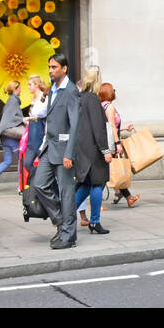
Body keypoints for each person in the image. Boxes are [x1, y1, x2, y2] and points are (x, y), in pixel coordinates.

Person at [34, 53, 81, 249]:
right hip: (49, 147)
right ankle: (61, 222)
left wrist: (69, 153)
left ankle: (68, 236)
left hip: (63, 151)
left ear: (64, 68)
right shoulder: (53, 90)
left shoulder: (70, 91)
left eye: (54, 67)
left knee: (67, 193)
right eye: (49, 67)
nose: (50, 70)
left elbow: (75, 124)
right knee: (39, 184)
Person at [72, 66, 113, 235]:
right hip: (94, 150)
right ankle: (95, 221)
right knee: (97, 183)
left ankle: (64, 214)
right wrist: (105, 150)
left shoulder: (79, 98)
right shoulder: (93, 100)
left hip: (81, 148)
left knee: (86, 184)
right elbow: (99, 127)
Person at [101, 83, 139, 208]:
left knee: (114, 171)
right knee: (106, 173)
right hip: (111, 143)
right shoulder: (110, 107)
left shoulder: (102, 106)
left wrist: (123, 128)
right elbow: (111, 126)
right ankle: (95, 203)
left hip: (106, 142)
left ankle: (128, 197)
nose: (115, 92)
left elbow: (111, 126)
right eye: (113, 90)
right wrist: (118, 144)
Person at [0, 80, 26, 192]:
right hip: (12, 137)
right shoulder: (14, 100)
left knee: (8, 161)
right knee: (21, 159)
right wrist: (22, 119)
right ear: (14, 89)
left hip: (5, 137)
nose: (20, 90)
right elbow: (12, 118)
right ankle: (21, 185)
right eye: (18, 88)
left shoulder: (10, 101)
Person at [23, 74, 49, 190]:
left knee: (41, 158)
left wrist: (30, 118)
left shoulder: (43, 97)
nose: (28, 87)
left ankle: (41, 182)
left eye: (30, 84)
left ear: (36, 85)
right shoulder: (34, 99)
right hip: (32, 133)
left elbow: (41, 113)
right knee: (27, 162)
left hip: (39, 132)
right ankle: (38, 181)